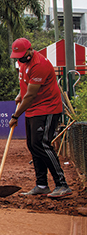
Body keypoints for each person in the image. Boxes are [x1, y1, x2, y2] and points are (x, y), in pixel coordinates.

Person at [8, 38, 72, 198]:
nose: (20, 58)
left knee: (42, 144)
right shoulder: (23, 63)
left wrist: (15, 116)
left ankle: (62, 184)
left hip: (48, 108)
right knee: (32, 144)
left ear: (30, 50)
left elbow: (30, 95)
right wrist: (19, 94)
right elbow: (25, 84)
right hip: (33, 110)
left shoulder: (39, 64)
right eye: (17, 56)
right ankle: (42, 184)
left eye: (22, 55)